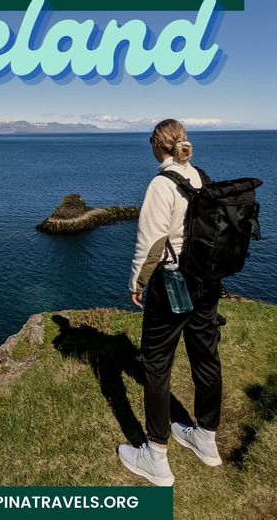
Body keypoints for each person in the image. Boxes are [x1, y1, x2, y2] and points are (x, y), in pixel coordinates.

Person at [118, 119, 223, 487]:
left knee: (157, 365)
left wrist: (137, 283)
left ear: (156, 145)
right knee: (206, 356)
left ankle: (156, 456)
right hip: (207, 283)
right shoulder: (202, 178)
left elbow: (151, 244)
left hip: (173, 284)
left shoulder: (161, 184)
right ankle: (206, 439)